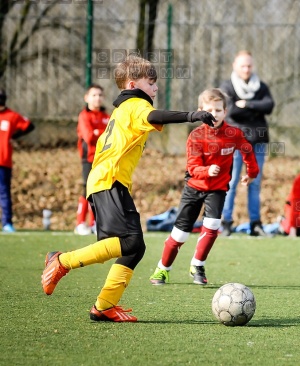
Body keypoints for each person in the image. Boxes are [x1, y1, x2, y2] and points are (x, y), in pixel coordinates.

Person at [41, 55, 216, 322]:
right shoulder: (135, 104)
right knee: (131, 243)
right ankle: (61, 261)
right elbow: (155, 115)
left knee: (133, 248)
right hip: (109, 181)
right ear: (133, 84)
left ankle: (104, 306)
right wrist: (194, 115)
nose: (156, 88)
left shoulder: (122, 110)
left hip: (108, 182)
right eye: (151, 82)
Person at [149, 88, 258, 286]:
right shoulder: (196, 136)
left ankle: (197, 265)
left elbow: (248, 151)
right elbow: (192, 167)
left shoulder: (233, 134)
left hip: (217, 189)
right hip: (194, 187)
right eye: (209, 110)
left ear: (225, 112)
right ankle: (162, 269)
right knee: (180, 234)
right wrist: (207, 171)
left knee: (213, 225)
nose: (214, 115)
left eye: (218, 110)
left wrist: (251, 174)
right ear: (200, 111)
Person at [220, 50, 275, 237]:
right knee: (232, 181)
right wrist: (254, 109)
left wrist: (248, 105)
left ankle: (255, 224)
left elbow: (269, 106)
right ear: (235, 66)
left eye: (249, 65)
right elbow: (232, 111)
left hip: (258, 141)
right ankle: (226, 222)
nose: (246, 69)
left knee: (255, 183)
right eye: (243, 65)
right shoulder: (227, 87)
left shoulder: (261, 87)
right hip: (235, 142)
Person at [75, 84, 110, 235]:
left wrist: (97, 132)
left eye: (100, 95)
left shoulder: (107, 116)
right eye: (94, 95)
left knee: (100, 191)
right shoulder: (84, 116)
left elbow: (113, 135)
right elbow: (88, 137)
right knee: (87, 190)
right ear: (86, 98)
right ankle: (80, 223)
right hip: (89, 158)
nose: (97, 98)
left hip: (104, 159)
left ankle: (95, 223)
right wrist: (102, 133)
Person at [0, 88, 35, 233]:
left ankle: (7, 222)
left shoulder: (12, 116)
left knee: (4, 192)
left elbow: (29, 126)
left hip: (3, 160)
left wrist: (14, 136)